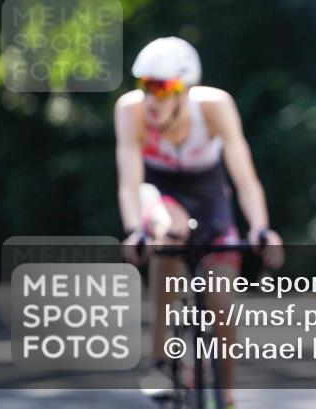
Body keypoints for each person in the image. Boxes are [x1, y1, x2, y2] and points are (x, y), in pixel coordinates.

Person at [116, 36, 284, 408]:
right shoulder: (130, 111)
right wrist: (134, 231)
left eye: (163, 88)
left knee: (222, 304)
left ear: (185, 90)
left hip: (209, 197)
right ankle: (160, 359)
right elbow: (129, 183)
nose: (152, 99)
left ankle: (226, 395)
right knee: (170, 231)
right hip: (159, 192)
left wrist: (260, 227)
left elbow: (245, 179)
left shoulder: (214, 106)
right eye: (146, 86)